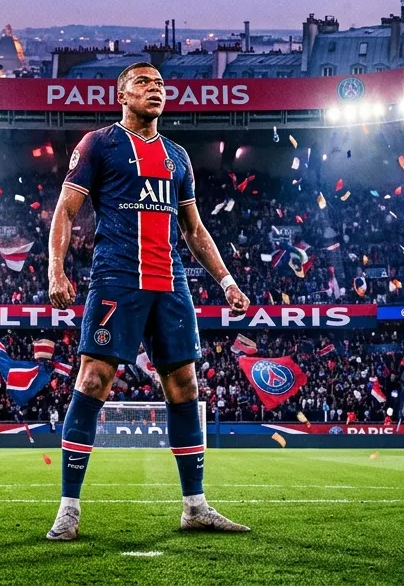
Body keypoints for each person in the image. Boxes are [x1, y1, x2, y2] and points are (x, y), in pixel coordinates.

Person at [45, 63, 251, 541]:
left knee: (184, 384)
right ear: (121, 94)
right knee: (94, 378)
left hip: (171, 281)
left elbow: (194, 230)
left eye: (160, 84)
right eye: (143, 83)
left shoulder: (177, 156)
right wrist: (56, 270)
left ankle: (195, 507)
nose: (155, 89)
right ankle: (69, 509)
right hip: (117, 276)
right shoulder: (100, 144)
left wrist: (226, 281)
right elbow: (66, 210)